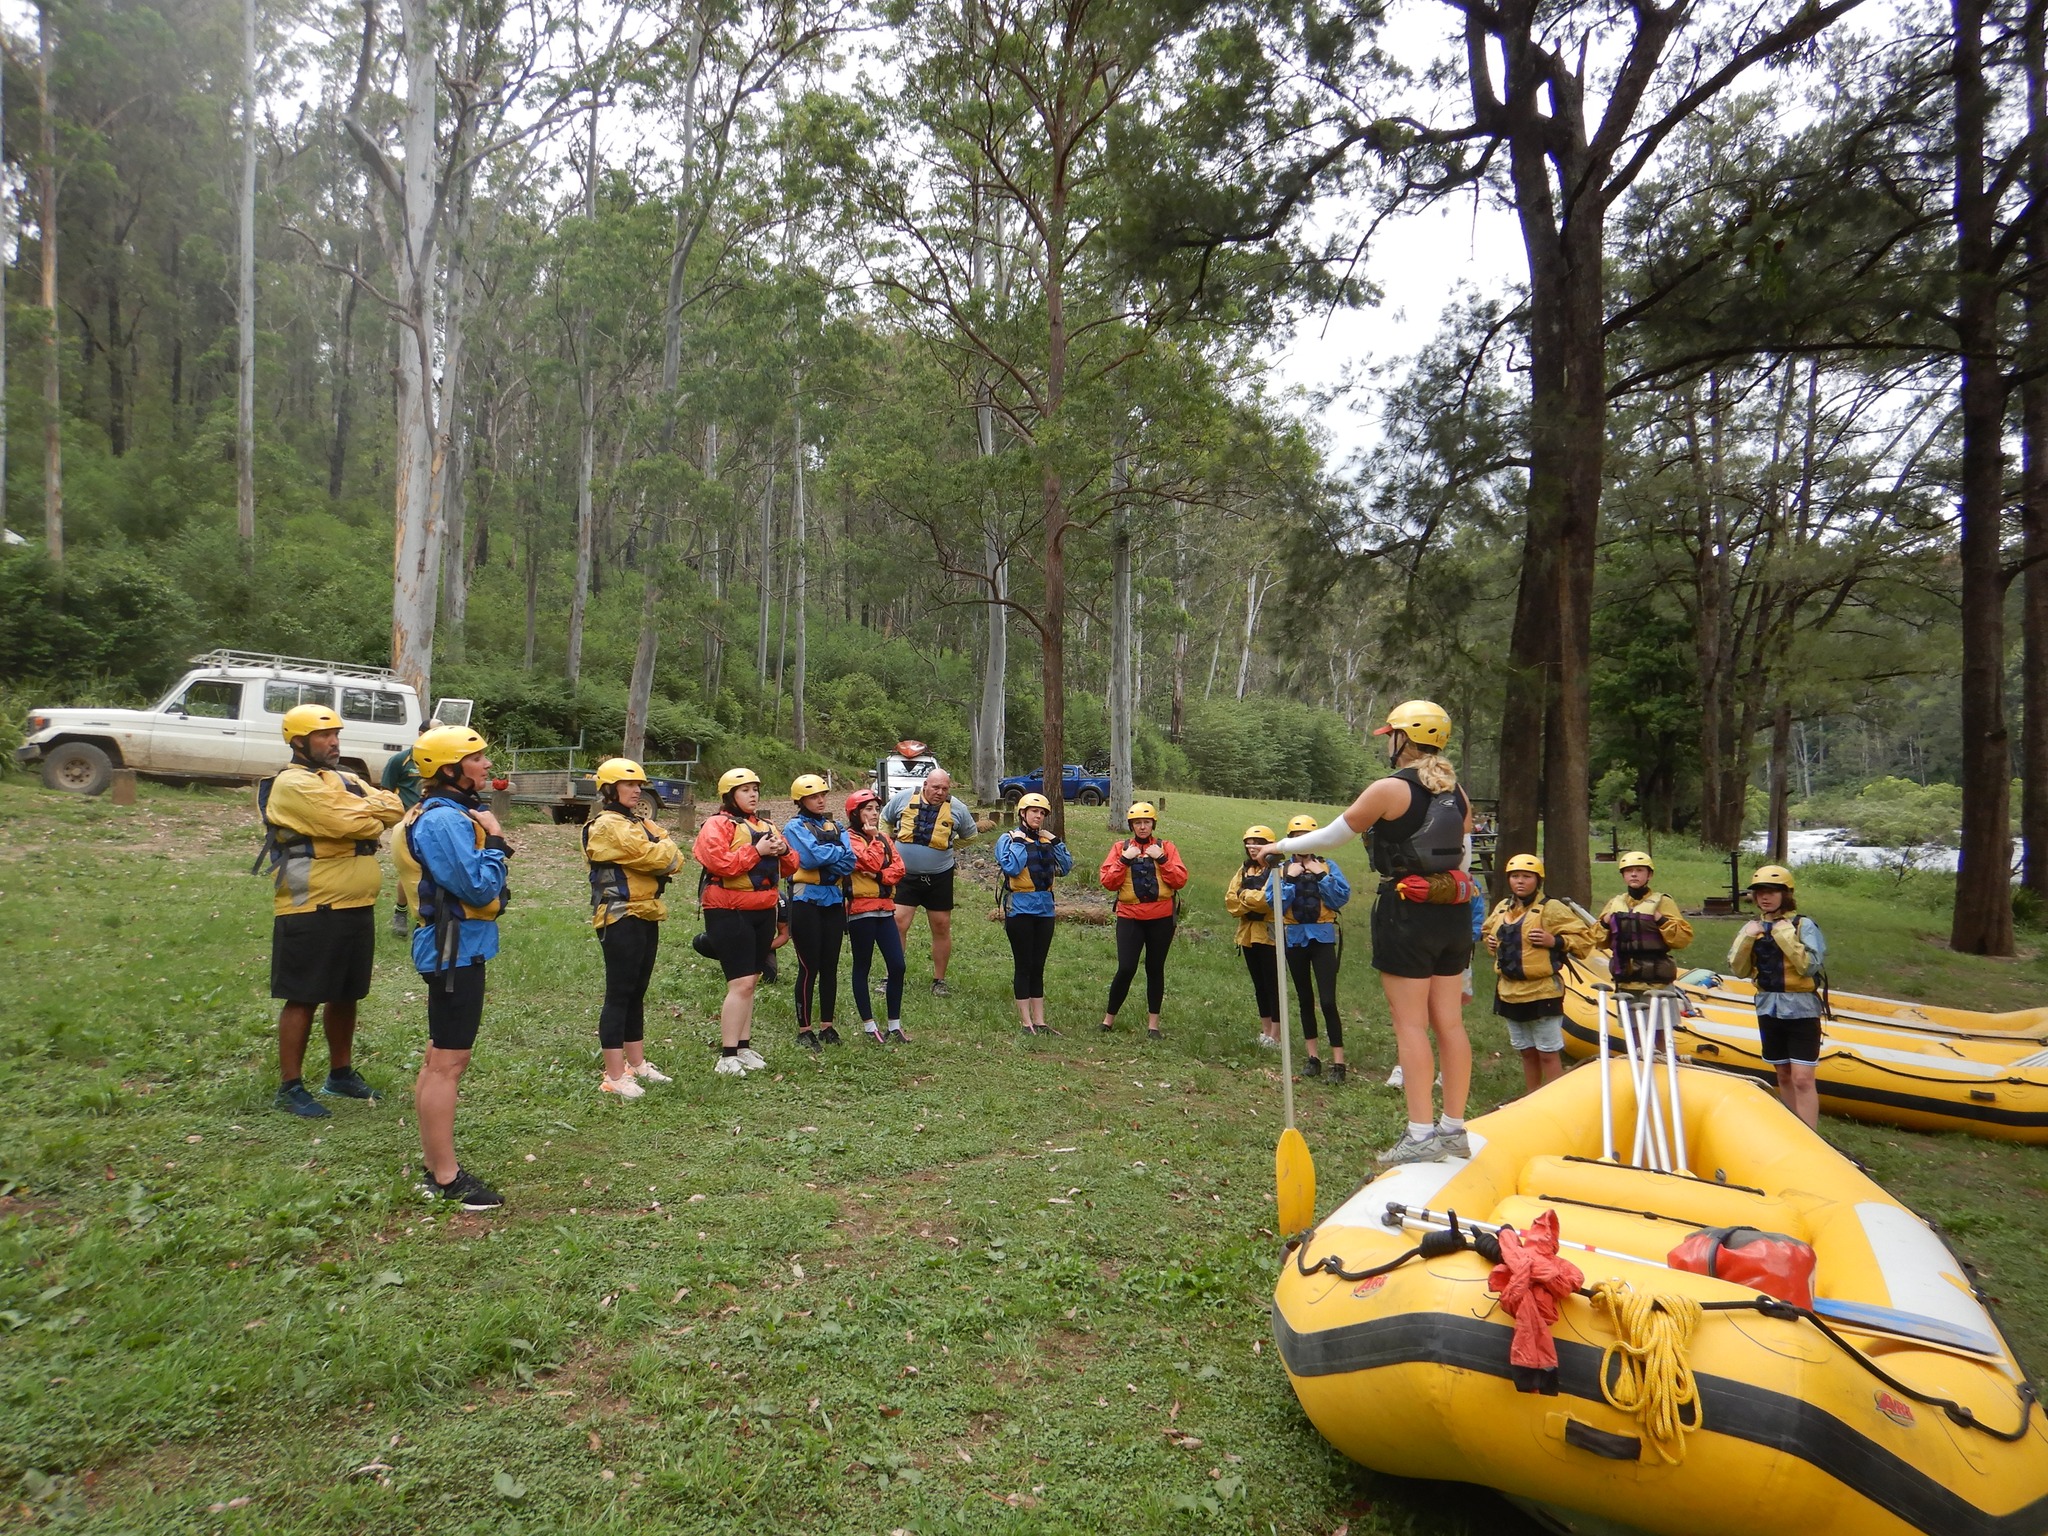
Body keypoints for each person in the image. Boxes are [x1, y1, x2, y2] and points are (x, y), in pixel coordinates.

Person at [1261, 700, 1477, 1165]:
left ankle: (1420, 1134)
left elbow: (1331, 836)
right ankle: (1453, 1129)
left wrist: (1279, 846)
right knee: (1451, 1023)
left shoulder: (1388, 789)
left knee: (1410, 1023)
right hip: (1453, 915)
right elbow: (1463, 861)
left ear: (1404, 738)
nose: (1389, 743)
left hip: (1407, 913)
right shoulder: (1457, 795)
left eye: (1391, 735)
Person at [257, 703, 406, 1118]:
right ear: (300, 741)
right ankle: (290, 1085)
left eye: (336, 734)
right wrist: (368, 814)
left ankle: (339, 1074)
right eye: (324, 736)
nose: (334, 741)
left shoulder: (343, 778)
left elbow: (392, 806)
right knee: (303, 995)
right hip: (311, 903)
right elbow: (345, 822)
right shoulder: (292, 785)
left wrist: (365, 812)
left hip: (355, 902)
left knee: (346, 992)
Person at [395, 726, 513, 1211]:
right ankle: (445, 1177)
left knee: (437, 1057)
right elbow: (479, 888)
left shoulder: (444, 813)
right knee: (448, 1063)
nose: (487, 765)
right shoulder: (444, 821)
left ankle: (433, 1164)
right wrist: (498, 842)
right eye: (478, 759)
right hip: (453, 951)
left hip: (456, 947)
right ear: (450, 769)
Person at [583, 758, 684, 1099]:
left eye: (639, 785)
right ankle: (613, 1075)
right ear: (610, 789)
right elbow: (659, 857)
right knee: (619, 993)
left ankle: (636, 1063)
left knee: (637, 991)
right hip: (619, 915)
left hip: (647, 911)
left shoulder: (638, 823)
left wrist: (662, 848)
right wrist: (662, 849)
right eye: (629, 785)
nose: (637, 790)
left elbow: (674, 857)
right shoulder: (607, 826)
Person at [692, 768, 795, 1076]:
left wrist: (783, 850)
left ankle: (743, 1047)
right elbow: (719, 863)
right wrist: (757, 850)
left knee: (751, 982)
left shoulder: (767, 825)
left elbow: (791, 867)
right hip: (727, 910)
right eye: (745, 790)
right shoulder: (716, 825)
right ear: (729, 796)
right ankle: (726, 1055)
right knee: (739, 984)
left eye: (755, 789)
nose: (753, 795)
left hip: (763, 910)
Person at [1482, 853, 1598, 1094]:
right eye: (1515, 876)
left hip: (1542, 991)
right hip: (1509, 991)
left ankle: (1554, 1099)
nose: (1520, 882)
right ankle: (1531, 1096)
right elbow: (1487, 931)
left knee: (1547, 1053)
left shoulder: (1551, 909)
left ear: (1538, 880)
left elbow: (1585, 941)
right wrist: (1490, 943)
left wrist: (1554, 940)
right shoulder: (1503, 907)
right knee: (1526, 1051)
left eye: (1527, 876)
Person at [1727, 865, 1826, 1128]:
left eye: (1771, 892)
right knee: (1783, 1074)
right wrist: (1747, 939)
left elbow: (1809, 966)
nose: (1764, 898)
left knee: (1802, 1078)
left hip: (1801, 1009)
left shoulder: (1803, 925)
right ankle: (1793, 1129)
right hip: (1768, 1008)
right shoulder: (1753, 927)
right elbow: (1739, 969)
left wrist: (1784, 934)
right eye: (1760, 893)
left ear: (1786, 894)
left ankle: (1810, 1136)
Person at [1097, 802, 1189, 1039]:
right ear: (1131, 826)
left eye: (1146, 822)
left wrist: (1163, 860)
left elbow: (1179, 880)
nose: (1142, 827)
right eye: (1138, 823)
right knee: (1126, 968)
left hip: (1161, 918)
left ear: (1153, 824)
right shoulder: (1120, 848)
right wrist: (1124, 861)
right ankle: (1108, 1019)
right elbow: (1108, 882)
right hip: (1130, 917)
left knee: (1155, 968)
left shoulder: (1166, 847)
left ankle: (1153, 1025)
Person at [885, 769, 981, 996]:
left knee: (940, 926)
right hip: (905, 876)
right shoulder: (903, 798)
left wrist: (949, 848)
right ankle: (893, 975)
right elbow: (885, 819)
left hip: (939, 877)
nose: (939, 792)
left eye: (945, 789)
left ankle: (939, 980)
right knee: (898, 922)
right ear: (925, 784)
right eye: (936, 787)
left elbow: (971, 835)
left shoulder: (957, 808)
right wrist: (887, 845)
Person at [1274, 814, 1353, 1082]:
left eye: (1306, 838)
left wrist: (1321, 877)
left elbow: (1340, 898)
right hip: (1295, 939)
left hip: (1322, 938)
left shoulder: (1328, 867)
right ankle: (1313, 1058)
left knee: (1328, 1000)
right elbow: (1272, 903)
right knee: (1305, 998)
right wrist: (1288, 880)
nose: (1301, 843)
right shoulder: (1284, 870)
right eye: (1296, 839)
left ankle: (1339, 1063)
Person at [785, 773, 860, 1051]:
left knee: (830, 966)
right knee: (809, 966)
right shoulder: (793, 828)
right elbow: (809, 857)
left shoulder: (836, 825)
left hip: (832, 902)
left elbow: (850, 860)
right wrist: (834, 853)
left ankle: (827, 1026)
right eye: (814, 796)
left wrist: (829, 856)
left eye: (822, 795)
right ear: (801, 800)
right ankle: (805, 1030)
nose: (820, 800)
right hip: (806, 904)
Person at [994, 793, 1071, 1035]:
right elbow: (1012, 868)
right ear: (1022, 813)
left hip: (1045, 909)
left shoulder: (1047, 840)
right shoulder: (1007, 840)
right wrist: (1019, 842)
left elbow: (1066, 867)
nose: (1038, 816)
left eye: (1042, 813)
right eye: (1034, 812)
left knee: (1038, 965)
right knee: (1024, 964)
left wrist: (1056, 842)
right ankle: (1025, 1022)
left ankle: (1040, 1021)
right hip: (1020, 909)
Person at [843, 788, 912, 1044]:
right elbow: (867, 863)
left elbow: (899, 868)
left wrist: (880, 875)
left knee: (898, 965)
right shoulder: (848, 839)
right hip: (860, 910)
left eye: (875, 809)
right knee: (863, 965)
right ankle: (869, 1025)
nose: (873, 814)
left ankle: (894, 1024)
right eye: (867, 809)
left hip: (885, 908)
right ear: (855, 813)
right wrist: (874, 848)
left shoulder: (883, 837)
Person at [1598, 851, 1694, 1003]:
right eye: (1629, 871)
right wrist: (1605, 922)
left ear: (1649, 875)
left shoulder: (1663, 902)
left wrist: (1660, 919)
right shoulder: (1614, 904)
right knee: (1630, 1028)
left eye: (1639, 870)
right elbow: (1597, 941)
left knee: (1659, 1027)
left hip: (1657, 983)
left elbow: (1682, 940)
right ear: (1623, 876)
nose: (1634, 874)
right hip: (1626, 982)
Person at [1224, 824, 1282, 1049]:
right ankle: (1266, 1031)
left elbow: (1268, 900)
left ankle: (1276, 1035)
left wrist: (1244, 896)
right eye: (1249, 843)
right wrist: (1248, 901)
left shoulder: (1278, 869)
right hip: (1248, 932)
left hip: (1269, 933)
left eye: (1257, 843)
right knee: (1259, 984)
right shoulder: (1245, 869)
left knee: (1272, 983)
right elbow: (1230, 900)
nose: (1252, 847)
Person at [381, 723, 429, 935]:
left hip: (433, 823)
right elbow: (386, 793)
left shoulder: (444, 760)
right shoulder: (400, 760)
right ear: (420, 734)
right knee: (410, 869)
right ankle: (400, 913)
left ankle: (429, 916)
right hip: (408, 825)